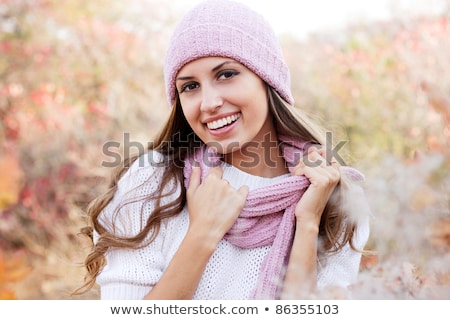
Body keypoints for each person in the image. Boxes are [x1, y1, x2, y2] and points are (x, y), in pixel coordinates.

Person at [73, 0, 371, 300]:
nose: (209, 102)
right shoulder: (151, 183)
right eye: (190, 86)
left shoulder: (335, 197)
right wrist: (202, 234)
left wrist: (307, 224)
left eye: (226, 74)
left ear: (268, 79)